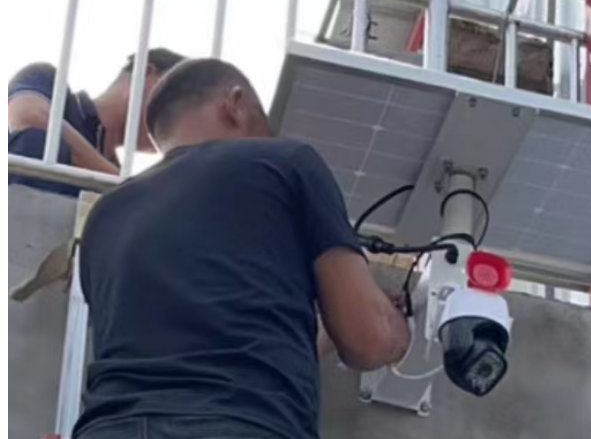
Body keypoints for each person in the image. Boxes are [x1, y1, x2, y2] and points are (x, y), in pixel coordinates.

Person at [74, 58, 410, 439]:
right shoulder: (285, 162)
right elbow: (369, 341)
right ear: (235, 104)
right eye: (263, 127)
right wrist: (397, 331)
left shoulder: (105, 217)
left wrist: (324, 333)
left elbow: (215, 341)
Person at [8, 48, 186, 196]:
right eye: (178, 106)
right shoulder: (50, 84)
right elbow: (29, 115)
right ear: (144, 74)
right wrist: (122, 185)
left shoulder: (119, 177)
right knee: (39, 142)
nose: (178, 125)